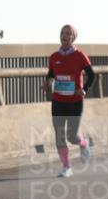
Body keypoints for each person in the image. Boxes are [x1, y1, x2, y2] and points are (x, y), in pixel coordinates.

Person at [41, 25, 96, 178]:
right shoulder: (54, 57)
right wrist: (47, 84)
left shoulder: (80, 56)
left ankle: (83, 143)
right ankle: (66, 167)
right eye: (62, 33)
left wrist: (84, 89)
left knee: (72, 136)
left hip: (75, 101)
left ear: (73, 38)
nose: (64, 36)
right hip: (58, 100)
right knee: (59, 135)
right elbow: (51, 74)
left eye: (67, 34)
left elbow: (91, 75)